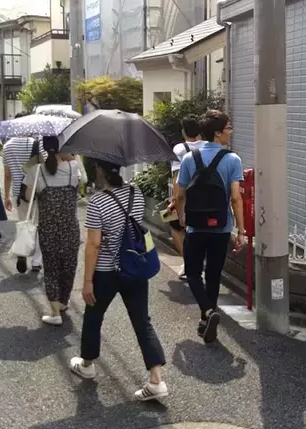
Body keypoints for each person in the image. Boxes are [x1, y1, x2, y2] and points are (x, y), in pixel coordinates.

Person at [69, 160, 168, 401]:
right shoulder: (136, 193)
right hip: (134, 266)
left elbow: (94, 244)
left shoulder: (98, 201)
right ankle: (156, 379)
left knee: (93, 315)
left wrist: (87, 281)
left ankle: (87, 364)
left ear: (99, 170)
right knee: (142, 321)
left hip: (106, 271)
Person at [176, 110, 245, 344]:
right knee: (214, 274)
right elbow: (235, 198)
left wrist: (182, 217)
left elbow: (180, 194)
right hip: (221, 227)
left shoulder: (189, 158)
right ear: (217, 133)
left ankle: (206, 313)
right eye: (228, 128)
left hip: (195, 227)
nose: (230, 132)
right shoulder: (232, 160)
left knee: (193, 272)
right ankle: (208, 316)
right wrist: (241, 230)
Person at [23, 136, 86, 326]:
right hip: (70, 228)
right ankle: (63, 302)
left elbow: (28, 197)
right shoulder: (73, 167)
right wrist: (72, 156)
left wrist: (32, 166)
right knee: (69, 267)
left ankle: (55, 312)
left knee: (51, 269)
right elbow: (84, 180)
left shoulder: (37, 170)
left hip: (48, 229)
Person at [2, 112, 47, 273]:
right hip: (37, 191)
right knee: (38, 225)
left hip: (18, 193)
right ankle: (36, 262)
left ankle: (22, 252)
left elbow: (7, 175)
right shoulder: (38, 144)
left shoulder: (7, 146)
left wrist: (6, 196)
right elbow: (44, 167)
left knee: (23, 224)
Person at [167, 114, 206, 281]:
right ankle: (199, 262)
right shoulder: (208, 146)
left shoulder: (179, 149)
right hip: (206, 196)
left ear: (183, 131)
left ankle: (189, 262)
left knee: (176, 228)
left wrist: (176, 202)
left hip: (187, 197)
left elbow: (177, 180)